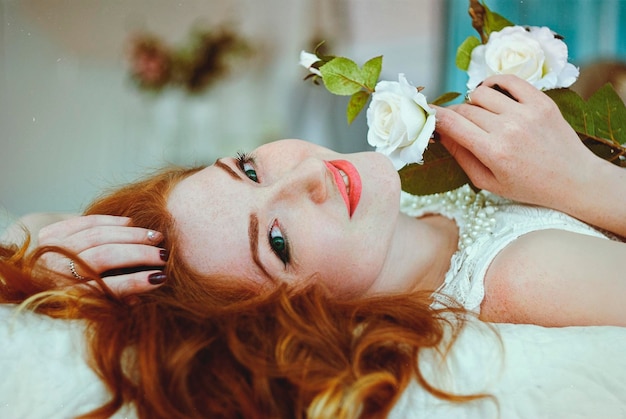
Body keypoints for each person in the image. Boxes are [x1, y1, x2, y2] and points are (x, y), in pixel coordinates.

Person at [1, 74, 626, 417]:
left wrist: (37, 252)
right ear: (301, 318)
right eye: (277, 241)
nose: (306, 178)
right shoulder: (524, 278)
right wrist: (580, 181)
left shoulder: (405, 209)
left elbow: (27, 223)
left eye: (247, 168)